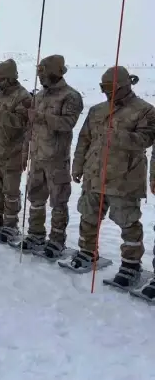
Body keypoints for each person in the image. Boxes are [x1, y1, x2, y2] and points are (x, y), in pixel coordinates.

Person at [70, 66, 155, 287]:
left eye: (110, 87)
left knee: (128, 224)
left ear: (124, 86)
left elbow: (145, 140)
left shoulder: (145, 111)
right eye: (102, 87)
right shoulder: (97, 110)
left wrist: (118, 136)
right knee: (88, 216)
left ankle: (131, 265)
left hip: (124, 179)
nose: (106, 92)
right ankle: (87, 252)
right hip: (94, 174)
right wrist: (78, 166)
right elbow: (84, 140)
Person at [20, 55, 84, 257]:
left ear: (55, 73)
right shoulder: (38, 96)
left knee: (58, 202)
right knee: (35, 198)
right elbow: (30, 128)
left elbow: (67, 124)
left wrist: (41, 117)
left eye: (44, 74)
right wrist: (25, 152)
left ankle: (57, 240)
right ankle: (35, 234)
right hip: (37, 157)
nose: (40, 78)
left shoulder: (70, 96)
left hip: (56, 159)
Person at [0, 58, 33, 241]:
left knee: (10, 191)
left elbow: (22, 123)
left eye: (0, 79)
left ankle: (10, 224)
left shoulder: (23, 97)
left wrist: (2, 115)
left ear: (10, 78)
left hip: (12, 153)